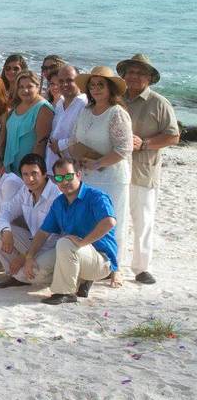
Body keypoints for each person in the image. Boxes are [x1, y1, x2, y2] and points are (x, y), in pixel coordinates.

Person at [118, 54, 180, 285]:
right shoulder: (116, 99)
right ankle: (113, 264)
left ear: (150, 78)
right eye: (130, 72)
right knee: (116, 219)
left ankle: (141, 268)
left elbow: (173, 136)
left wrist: (144, 144)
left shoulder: (159, 102)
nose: (134, 76)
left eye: (140, 73)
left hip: (144, 170)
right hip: (116, 169)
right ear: (123, 76)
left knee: (143, 221)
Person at [22, 159, 121, 304]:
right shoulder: (59, 202)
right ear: (55, 180)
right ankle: (80, 279)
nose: (64, 181)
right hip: (75, 253)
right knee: (36, 272)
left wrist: (83, 242)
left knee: (64, 243)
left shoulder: (96, 196)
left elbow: (109, 222)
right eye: (59, 178)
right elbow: (43, 232)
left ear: (79, 175)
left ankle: (66, 293)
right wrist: (29, 257)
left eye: (69, 176)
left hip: (101, 259)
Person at [70, 66, 133, 264]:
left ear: (110, 88)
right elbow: (73, 138)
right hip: (87, 175)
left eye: (101, 85)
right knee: (90, 220)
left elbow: (124, 148)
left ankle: (115, 266)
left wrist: (97, 163)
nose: (96, 89)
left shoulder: (116, 113)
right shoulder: (85, 111)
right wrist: (78, 158)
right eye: (92, 85)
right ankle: (94, 264)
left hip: (111, 178)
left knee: (113, 220)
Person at [0, 153, 60, 288]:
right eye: (25, 174)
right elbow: (5, 212)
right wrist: (6, 231)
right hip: (34, 242)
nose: (30, 179)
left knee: (29, 274)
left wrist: (25, 256)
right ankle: (14, 275)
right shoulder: (25, 191)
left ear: (44, 174)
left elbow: (53, 238)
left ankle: (63, 275)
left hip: (53, 248)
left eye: (34, 173)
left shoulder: (56, 195)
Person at [3, 71, 54, 174]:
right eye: (21, 87)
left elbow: (41, 144)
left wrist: (33, 171)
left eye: (29, 86)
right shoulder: (18, 104)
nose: (25, 90)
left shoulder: (43, 108)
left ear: (38, 86)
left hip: (28, 169)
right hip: (11, 166)